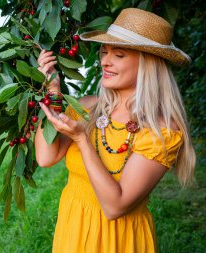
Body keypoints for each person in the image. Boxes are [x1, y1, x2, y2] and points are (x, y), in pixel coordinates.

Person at [35, 8, 196, 253]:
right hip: (73, 231)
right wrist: (52, 93)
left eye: (118, 55)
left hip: (119, 240)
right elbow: (46, 157)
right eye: (104, 52)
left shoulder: (161, 130)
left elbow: (115, 207)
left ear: (147, 64)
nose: (104, 61)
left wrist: (81, 138)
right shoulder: (89, 106)